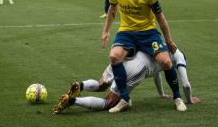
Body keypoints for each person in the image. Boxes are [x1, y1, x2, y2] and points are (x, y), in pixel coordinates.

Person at [101, 0, 184, 113]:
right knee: (114, 57)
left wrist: (169, 40)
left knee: (166, 62)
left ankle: (177, 98)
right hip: (126, 32)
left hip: (148, 32)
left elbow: (160, 17)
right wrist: (106, 31)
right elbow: (112, 10)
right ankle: (125, 99)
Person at [53, 49, 200, 114]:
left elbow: (157, 74)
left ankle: (81, 85)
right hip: (136, 69)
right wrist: (190, 100)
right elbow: (185, 84)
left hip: (123, 57)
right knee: (108, 102)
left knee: (100, 85)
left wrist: (162, 94)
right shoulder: (178, 57)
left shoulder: (162, 48)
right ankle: (73, 101)